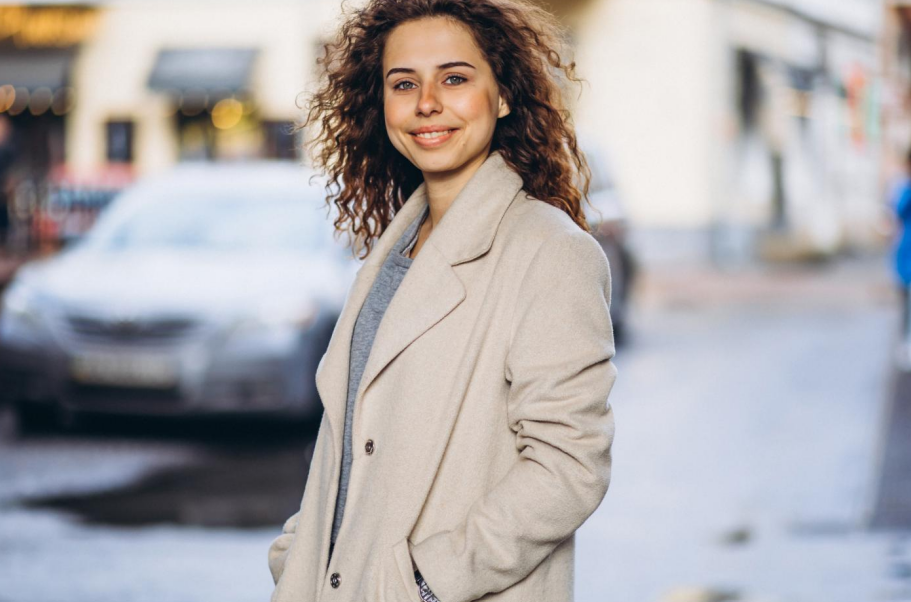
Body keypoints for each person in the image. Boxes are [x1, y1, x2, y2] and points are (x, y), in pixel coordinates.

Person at [268, 1, 617, 601]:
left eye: (454, 78)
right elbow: (354, 437)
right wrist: (298, 555)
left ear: (503, 95)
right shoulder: (392, 252)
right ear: (382, 106)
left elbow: (569, 467)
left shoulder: (551, 253)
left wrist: (427, 584)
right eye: (404, 84)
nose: (427, 102)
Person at [891, 147, 911, 368]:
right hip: (906, 258)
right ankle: (906, 345)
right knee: (906, 305)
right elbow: (897, 212)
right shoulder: (904, 190)